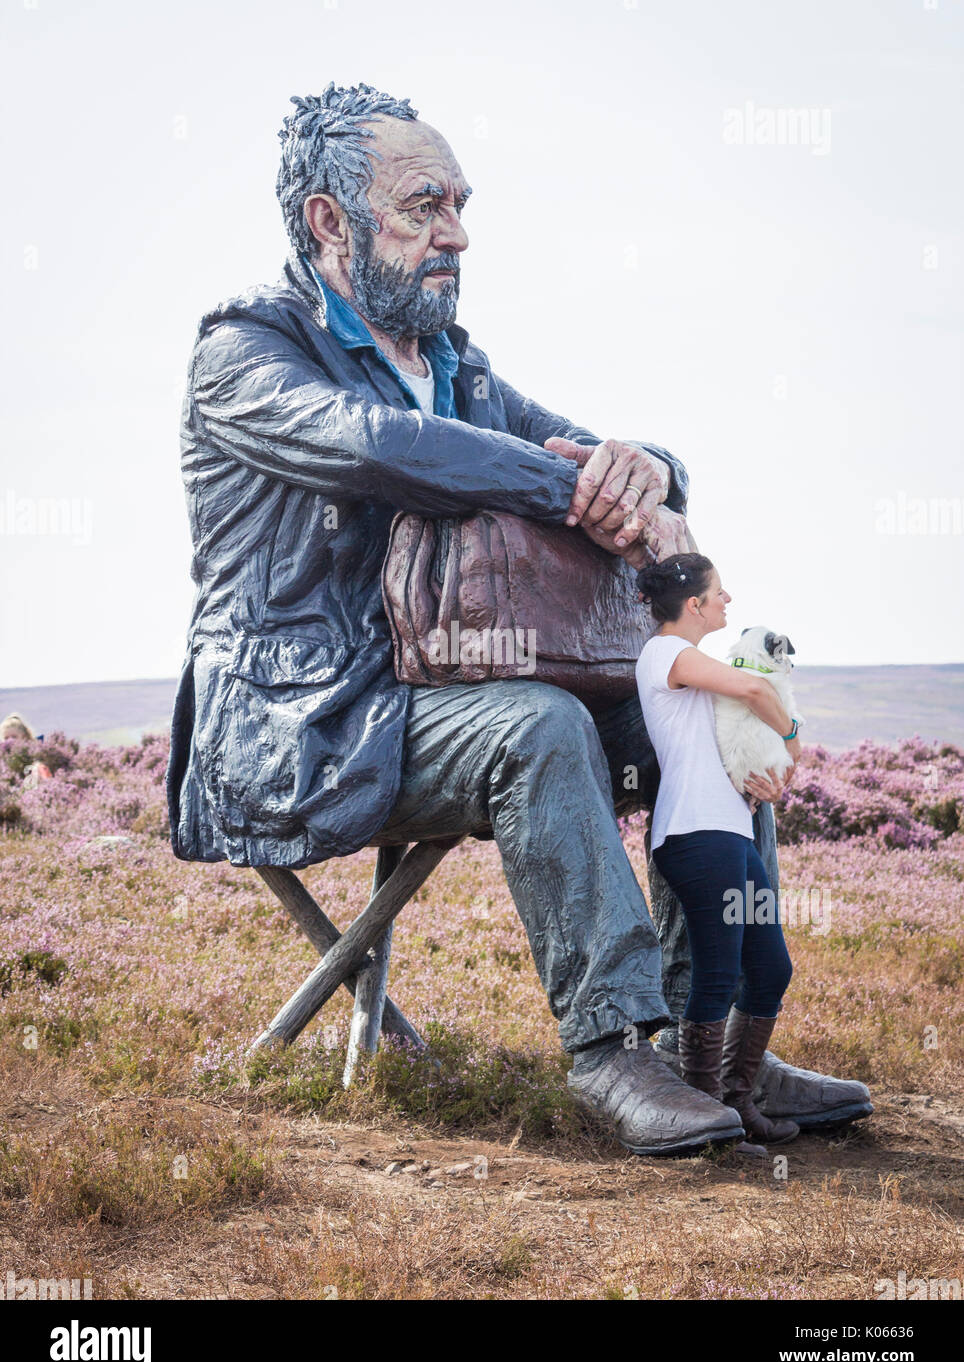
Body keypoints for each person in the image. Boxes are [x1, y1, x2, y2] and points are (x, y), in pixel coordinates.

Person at [166, 82, 871, 1158]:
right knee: (538, 722)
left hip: (441, 696)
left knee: (718, 727)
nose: (456, 233)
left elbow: (593, 453)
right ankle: (611, 1048)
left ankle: (718, 1041)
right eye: (422, 206)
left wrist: (647, 468)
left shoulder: (458, 365)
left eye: (458, 203)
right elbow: (376, 447)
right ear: (328, 221)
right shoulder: (245, 354)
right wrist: (567, 485)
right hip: (306, 727)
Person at [635, 553, 801, 1145]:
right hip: (695, 834)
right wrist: (792, 737)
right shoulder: (665, 654)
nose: (728, 600)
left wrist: (765, 777)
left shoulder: (700, 663)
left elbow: (737, 725)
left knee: (770, 968)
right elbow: (756, 686)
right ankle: (710, 1116)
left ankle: (735, 1101)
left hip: (728, 830)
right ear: (694, 603)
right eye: (719, 593)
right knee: (719, 971)